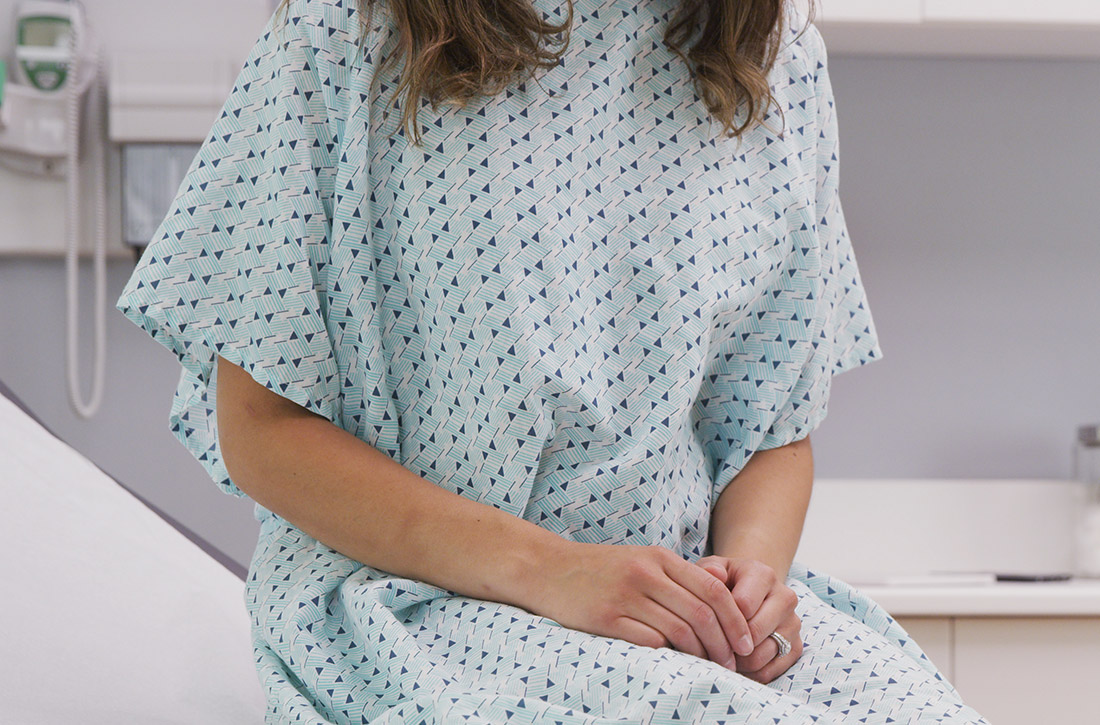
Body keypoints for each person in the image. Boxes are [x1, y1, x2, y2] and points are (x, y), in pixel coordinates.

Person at [116, 0, 990, 722]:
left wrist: (750, 583)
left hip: (675, 614)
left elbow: (771, 431)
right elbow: (262, 430)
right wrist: (553, 571)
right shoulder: (346, 32)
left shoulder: (772, 54)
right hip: (417, 604)